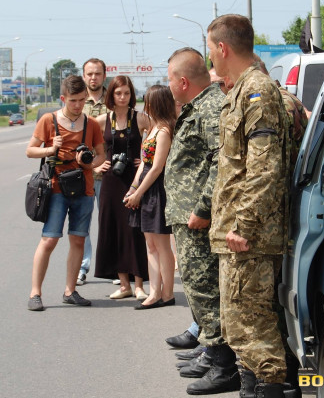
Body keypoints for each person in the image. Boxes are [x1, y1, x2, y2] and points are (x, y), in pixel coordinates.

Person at [207, 14, 299, 398]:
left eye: (211, 49)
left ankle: (268, 389)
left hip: (250, 236)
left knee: (252, 326)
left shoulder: (256, 91)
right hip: (239, 233)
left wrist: (244, 225)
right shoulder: (243, 89)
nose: (211, 57)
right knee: (240, 325)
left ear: (222, 48)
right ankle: (253, 387)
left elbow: (265, 168)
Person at [165, 47, 240, 395]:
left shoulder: (210, 108)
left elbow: (220, 161)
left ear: (182, 81)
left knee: (205, 289)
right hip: (187, 216)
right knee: (199, 289)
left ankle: (224, 366)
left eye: (170, 79)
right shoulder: (197, 106)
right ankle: (212, 354)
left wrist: (203, 208)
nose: (168, 86)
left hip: (197, 219)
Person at [26, 75, 105, 311]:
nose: (78, 105)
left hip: (84, 188)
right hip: (56, 188)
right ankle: (35, 293)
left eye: (81, 100)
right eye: (73, 100)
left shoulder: (91, 124)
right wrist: (51, 149)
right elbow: (30, 150)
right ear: (63, 98)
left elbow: (101, 155)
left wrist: (89, 164)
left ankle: (70, 291)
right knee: (49, 239)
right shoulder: (48, 121)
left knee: (78, 239)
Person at [93, 75, 150, 301]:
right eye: (118, 93)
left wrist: (145, 160)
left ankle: (139, 285)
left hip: (134, 180)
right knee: (114, 230)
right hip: (110, 182)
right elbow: (86, 147)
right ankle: (124, 284)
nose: (123, 97)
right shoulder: (101, 120)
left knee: (135, 231)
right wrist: (96, 166)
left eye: (126, 93)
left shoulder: (141, 118)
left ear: (132, 95)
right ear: (111, 95)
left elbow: (161, 138)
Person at [125, 85, 177, 310]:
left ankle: (167, 293)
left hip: (157, 189)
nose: (144, 106)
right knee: (151, 244)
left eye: (147, 102)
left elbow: (157, 168)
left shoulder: (164, 130)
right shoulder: (153, 128)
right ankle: (155, 292)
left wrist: (139, 192)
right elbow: (143, 164)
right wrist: (133, 188)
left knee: (162, 244)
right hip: (146, 187)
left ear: (156, 103)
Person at [77, 58, 108, 286]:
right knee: (82, 225)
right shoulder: (78, 102)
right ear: (83, 76)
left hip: (110, 174)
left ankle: (114, 269)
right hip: (83, 175)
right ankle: (81, 267)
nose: (93, 78)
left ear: (104, 75)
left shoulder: (114, 99)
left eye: (97, 73)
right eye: (89, 74)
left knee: (110, 224)